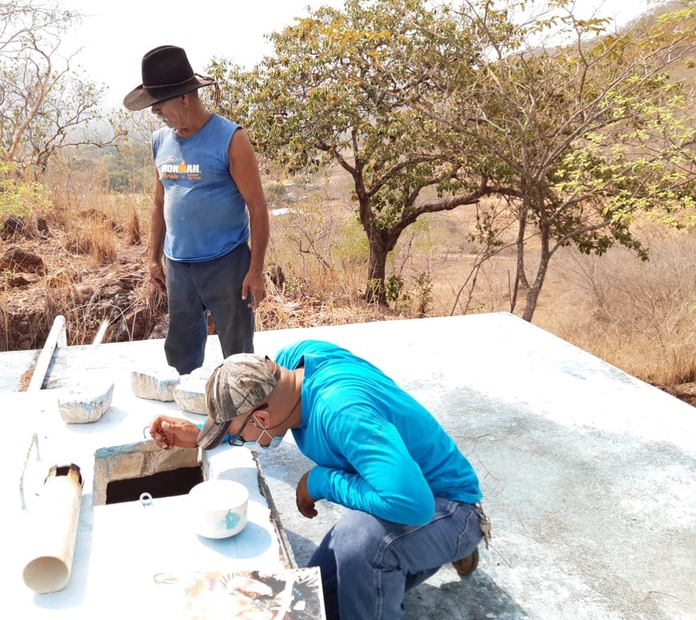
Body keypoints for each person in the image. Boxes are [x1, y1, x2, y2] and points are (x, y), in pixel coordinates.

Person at [148, 340, 491, 620]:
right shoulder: (292, 363)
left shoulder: (341, 411)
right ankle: (416, 559)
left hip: (447, 507)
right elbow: (249, 411)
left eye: (238, 436)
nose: (240, 440)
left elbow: (410, 505)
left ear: (263, 418)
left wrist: (320, 481)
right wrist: (204, 435)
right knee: (313, 599)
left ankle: (460, 541)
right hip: (401, 482)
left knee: (358, 545)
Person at [124, 45, 269, 374]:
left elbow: (257, 209)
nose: (156, 113)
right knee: (181, 354)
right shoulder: (161, 141)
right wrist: (153, 259)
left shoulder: (231, 139)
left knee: (238, 357)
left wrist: (256, 270)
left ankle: (240, 420)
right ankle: (185, 416)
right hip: (179, 268)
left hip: (227, 264)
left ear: (184, 98)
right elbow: (160, 203)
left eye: (160, 104)